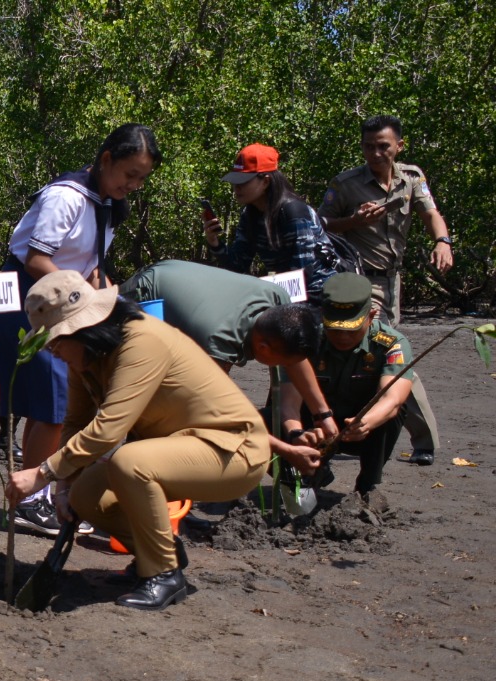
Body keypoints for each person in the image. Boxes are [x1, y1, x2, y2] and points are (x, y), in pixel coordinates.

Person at [6, 272, 271, 611]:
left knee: (129, 462)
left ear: (82, 328)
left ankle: (163, 573)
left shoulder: (141, 341)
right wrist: (63, 487)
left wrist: (41, 473)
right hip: (176, 449)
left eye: (56, 342)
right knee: (86, 495)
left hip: (233, 452)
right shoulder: (86, 358)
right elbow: (76, 421)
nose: (53, 352)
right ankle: (160, 552)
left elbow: (107, 429)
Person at [0, 123, 161, 537]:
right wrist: (83, 295)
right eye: (129, 174)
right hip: (30, 297)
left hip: (63, 299)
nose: (134, 185)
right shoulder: (65, 196)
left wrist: (106, 296)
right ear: (106, 160)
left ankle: (30, 495)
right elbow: (35, 259)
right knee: (52, 403)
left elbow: (89, 262)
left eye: (142, 178)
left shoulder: (105, 204)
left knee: (48, 404)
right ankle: (30, 501)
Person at [119, 259, 339, 473]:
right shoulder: (218, 341)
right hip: (145, 295)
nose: (284, 365)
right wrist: (287, 449)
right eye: (281, 361)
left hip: (178, 276)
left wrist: (321, 416)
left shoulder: (278, 300)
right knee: (159, 406)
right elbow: (217, 410)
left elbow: (295, 362)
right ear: (262, 348)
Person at [318, 114, 446, 466]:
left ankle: (388, 430)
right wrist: (354, 222)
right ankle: (421, 440)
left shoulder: (411, 177)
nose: (375, 153)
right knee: (393, 353)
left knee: (390, 355)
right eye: (368, 146)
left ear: (399, 146)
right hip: (361, 281)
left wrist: (442, 240)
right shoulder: (345, 184)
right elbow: (320, 225)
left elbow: (430, 212)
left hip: (393, 281)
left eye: (383, 146)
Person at [280, 273, 414, 497]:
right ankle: (305, 473)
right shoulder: (304, 339)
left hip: (359, 428)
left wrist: (366, 423)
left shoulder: (391, 343)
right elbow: (288, 401)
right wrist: (295, 434)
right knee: (269, 416)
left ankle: (367, 487)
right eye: (334, 328)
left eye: (351, 329)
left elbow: (392, 398)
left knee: (395, 413)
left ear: (371, 316)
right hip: (314, 424)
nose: (341, 336)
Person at [204, 143, 340, 301]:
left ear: (266, 182)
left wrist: (260, 291)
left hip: (320, 298)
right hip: (286, 296)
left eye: (243, 182)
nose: (236, 188)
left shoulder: (294, 212)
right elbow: (237, 266)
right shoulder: (249, 215)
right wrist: (214, 243)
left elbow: (302, 275)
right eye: (235, 182)